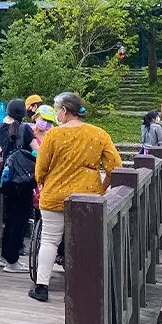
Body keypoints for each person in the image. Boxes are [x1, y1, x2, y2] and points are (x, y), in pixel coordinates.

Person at [29, 93, 122, 302]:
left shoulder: (53, 135)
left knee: (50, 241)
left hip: (54, 195)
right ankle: (85, 287)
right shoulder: (99, 134)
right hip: (87, 197)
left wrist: (41, 182)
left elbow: (41, 168)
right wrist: (102, 188)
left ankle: (42, 287)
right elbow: (115, 166)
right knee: (84, 241)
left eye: (56, 110)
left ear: (63, 111)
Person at [0, 99, 40, 274]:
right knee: (20, 219)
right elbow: (38, 151)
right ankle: (12, 261)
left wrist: (2, 149)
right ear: (23, 112)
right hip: (22, 179)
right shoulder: (25, 129)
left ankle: (5, 256)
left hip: (6, 178)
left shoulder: (0, 128)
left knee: (9, 217)